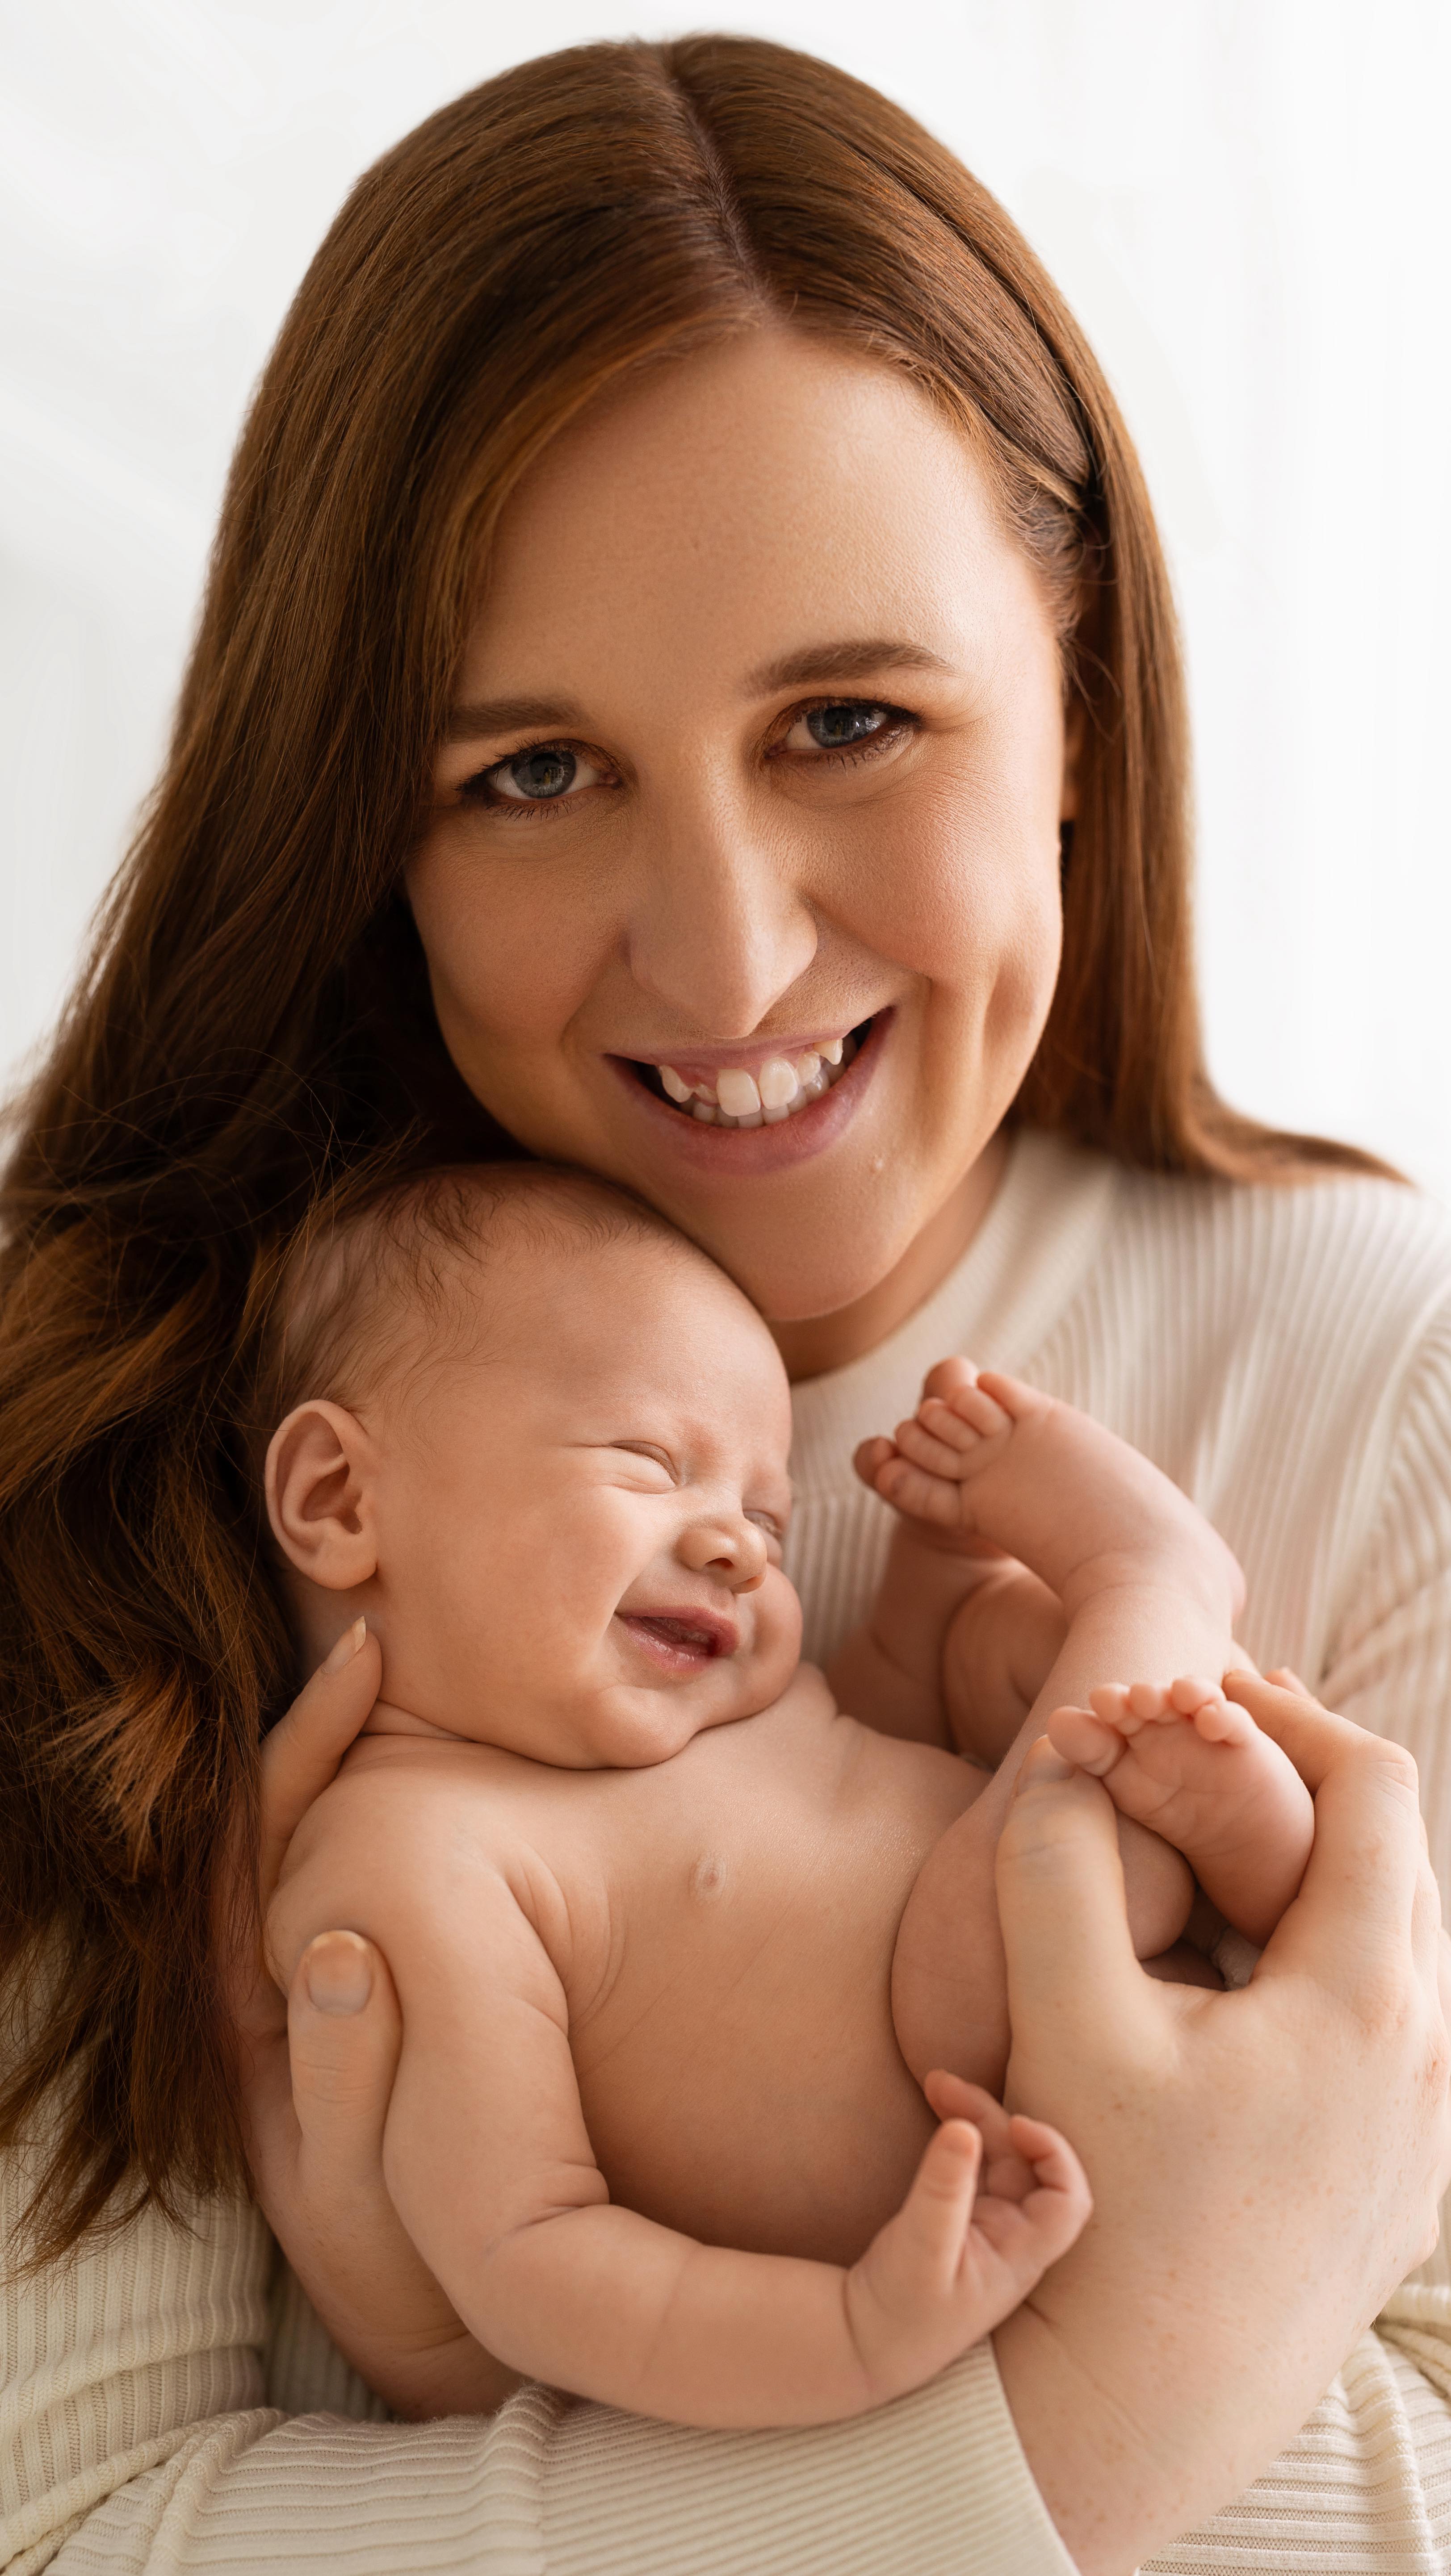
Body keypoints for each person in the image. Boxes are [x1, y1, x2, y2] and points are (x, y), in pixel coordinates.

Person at [1, 32, 1449, 2576]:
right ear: (373, 834)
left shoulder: (1392, 1385)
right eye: (534, 772)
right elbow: (77, 2522)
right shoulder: (143, 1459)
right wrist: (1120, 2401)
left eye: (852, 721)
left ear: (1083, 707)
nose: (734, 949)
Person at [252, 1155, 1307, 2429]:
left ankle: (1258, 1838)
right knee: (986, 1939)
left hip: (1228, 2084)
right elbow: (527, 2250)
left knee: (1001, 1659)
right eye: (650, 1462)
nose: (737, 1545)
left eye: (770, 1518)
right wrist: (850, 2329)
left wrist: (931, 1581)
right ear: (338, 1498)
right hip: (1001, 2103)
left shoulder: (715, 1706)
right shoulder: (406, 1853)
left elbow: (880, 1750)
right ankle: (1157, 1589)